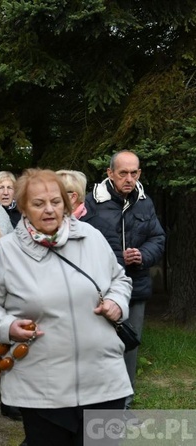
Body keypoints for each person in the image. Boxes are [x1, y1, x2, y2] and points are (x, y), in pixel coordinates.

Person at [0, 168, 133, 445]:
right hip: (43, 387)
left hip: (103, 380)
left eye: (55, 202)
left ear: (66, 203)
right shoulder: (7, 250)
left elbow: (119, 278)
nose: (49, 210)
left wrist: (117, 302)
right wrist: (8, 327)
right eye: (38, 203)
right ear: (23, 207)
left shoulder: (90, 237)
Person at [84, 151, 165, 408]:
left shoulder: (145, 202)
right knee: (98, 345)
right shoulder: (92, 202)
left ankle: (124, 403)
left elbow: (158, 239)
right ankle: (95, 400)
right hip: (99, 288)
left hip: (136, 287)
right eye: (123, 173)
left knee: (129, 344)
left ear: (139, 173)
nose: (129, 178)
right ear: (110, 173)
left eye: (134, 173)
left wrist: (141, 255)